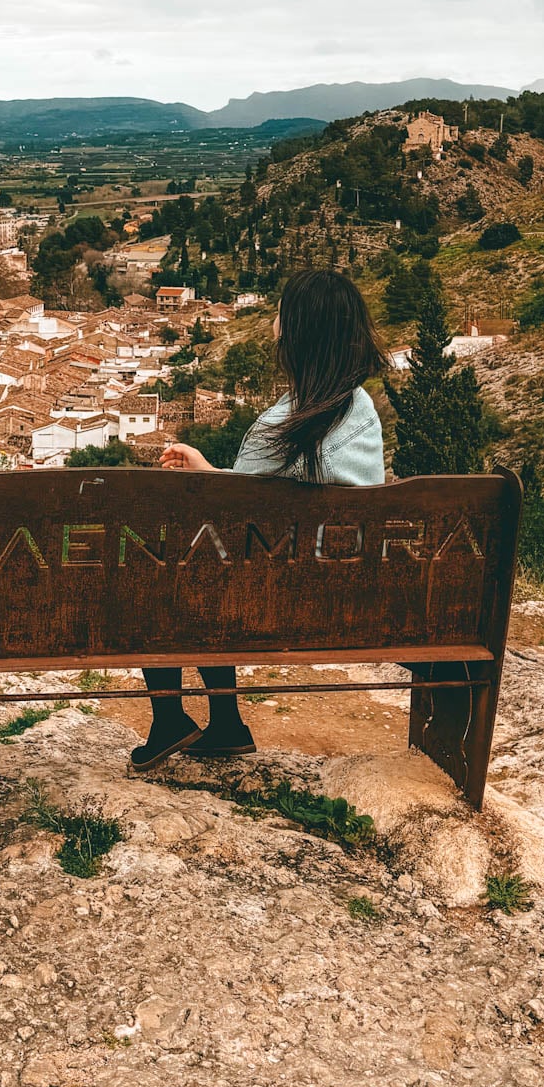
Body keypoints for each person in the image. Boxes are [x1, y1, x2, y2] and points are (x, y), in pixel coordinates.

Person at [129, 267, 388, 774]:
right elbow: (267, 491)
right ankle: (226, 726)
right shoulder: (360, 410)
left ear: (296, 334)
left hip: (276, 606)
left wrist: (206, 484)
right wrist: (213, 471)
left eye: (279, 315)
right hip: (353, 596)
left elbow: (230, 518)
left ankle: (170, 721)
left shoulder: (279, 427)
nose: (273, 323)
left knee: (165, 575)